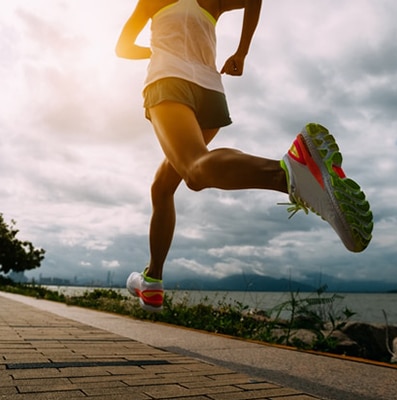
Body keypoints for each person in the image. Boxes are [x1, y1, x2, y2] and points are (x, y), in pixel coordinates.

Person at [116, 0, 373, 312]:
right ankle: (152, 280)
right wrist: (241, 53)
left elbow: (122, 49)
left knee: (195, 171)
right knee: (163, 186)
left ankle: (290, 174)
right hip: (211, 94)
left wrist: (156, 50)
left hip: (169, 81)